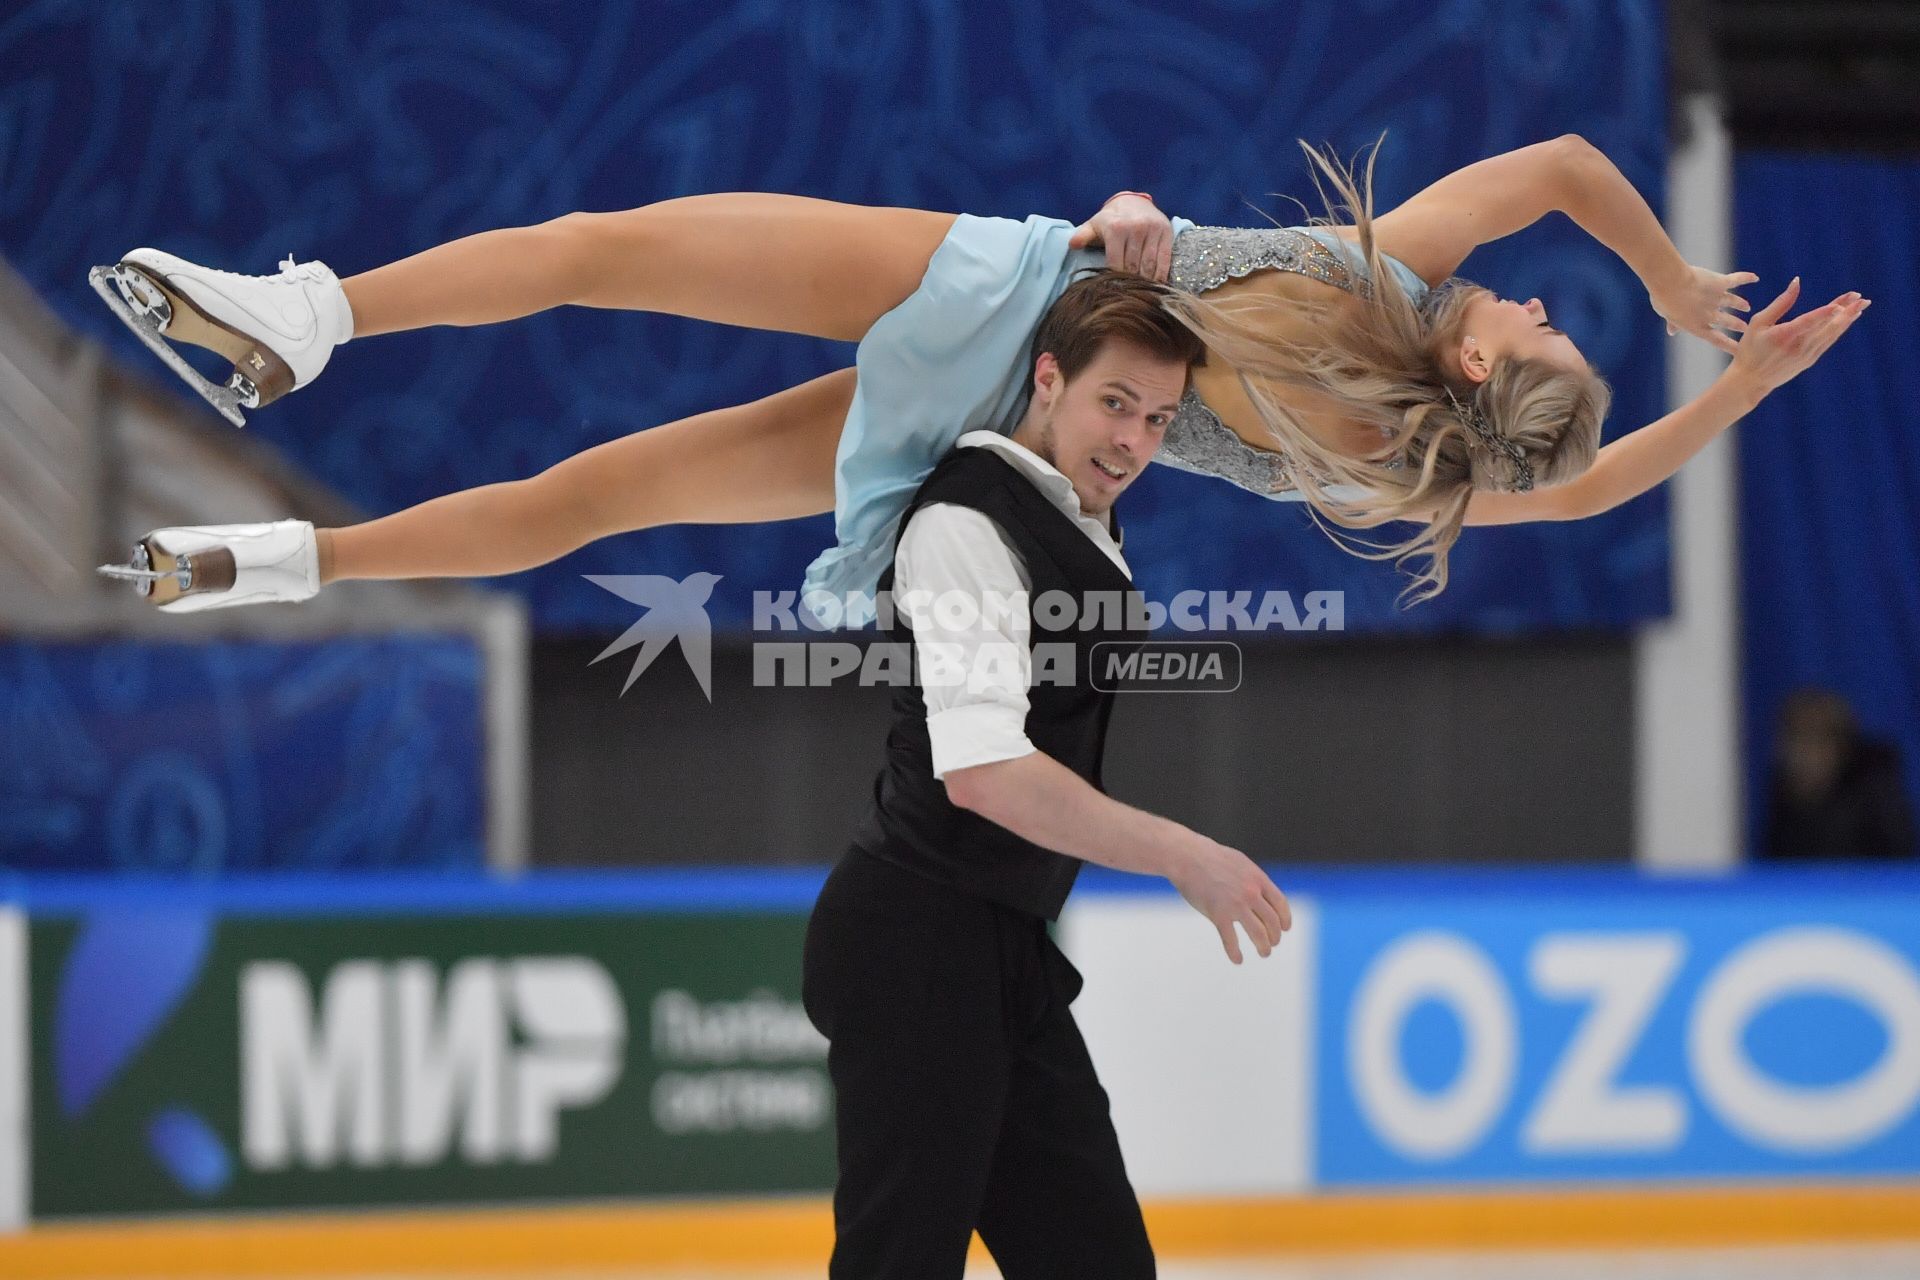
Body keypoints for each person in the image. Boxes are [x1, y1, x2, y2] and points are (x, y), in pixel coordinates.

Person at [92, 136, 1865, 615]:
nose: (1553, 307)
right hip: (985, 433)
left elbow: (1562, 155)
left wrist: (1677, 287)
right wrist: (1748, 400)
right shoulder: (1403, 475)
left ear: (1480, 350)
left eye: (1555, 326)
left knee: (605, 249)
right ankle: (277, 565)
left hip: (997, 296)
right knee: (600, 504)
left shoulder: (1396, 275)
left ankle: (309, 317)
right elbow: (1595, 481)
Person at [802, 268, 1288, 1278]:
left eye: (1159, 418)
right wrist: (1182, 854)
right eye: (1117, 403)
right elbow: (985, 773)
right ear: (1049, 378)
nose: (1135, 440)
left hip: (998, 945)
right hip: (915, 942)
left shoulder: (1071, 512)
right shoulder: (965, 527)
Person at [1761, 687, 1916, 861]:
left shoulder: (1876, 793)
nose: (1806, 754)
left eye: (1819, 739)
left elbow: (1900, 860)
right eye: (1797, 738)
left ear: (1843, 746)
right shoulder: (1781, 796)